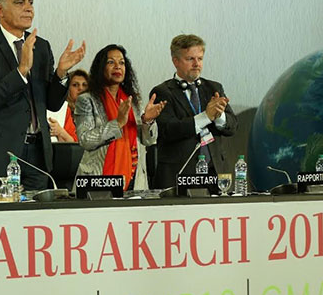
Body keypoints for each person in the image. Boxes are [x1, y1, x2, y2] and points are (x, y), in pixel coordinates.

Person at [0, 0, 86, 190]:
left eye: (31, 2)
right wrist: (21, 72)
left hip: (38, 156)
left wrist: (61, 73)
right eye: (20, 3)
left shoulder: (41, 46)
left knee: (35, 220)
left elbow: (52, 103)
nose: (29, 8)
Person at [149, 34, 238, 189]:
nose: (197, 64)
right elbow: (168, 130)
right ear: (175, 61)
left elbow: (233, 127)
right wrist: (206, 116)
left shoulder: (214, 88)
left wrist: (219, 116)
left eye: (200, 58)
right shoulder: (162, 92)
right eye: (190, 59)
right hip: (180, 174)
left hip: (214, 173)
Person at [74, 45, 166, 191]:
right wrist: (117, 124)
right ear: (101, 68)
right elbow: (85, 140)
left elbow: (148, 140)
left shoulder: (133, 101)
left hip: (134, 179)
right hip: (99, 179)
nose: (117, 66)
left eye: (122, 63)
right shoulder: (87, 100)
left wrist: (148, 121)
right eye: (111, 62)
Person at [47, 70, 89, 142]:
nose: (81, 88)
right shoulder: (62, 111)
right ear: (67, 89)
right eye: (75, 85)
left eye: (84, 85)